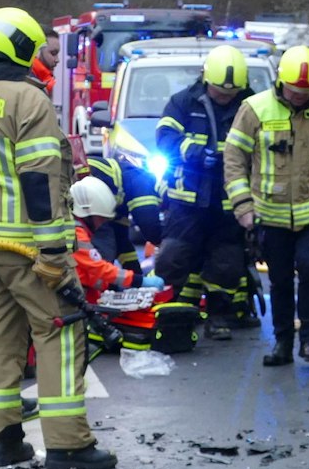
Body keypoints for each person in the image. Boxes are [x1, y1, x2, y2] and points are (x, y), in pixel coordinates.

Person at [0, 7, 116, 469]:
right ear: (18, 48)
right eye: (37, 49)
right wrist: (54, 251)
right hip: (29, 248)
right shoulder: (28, 100)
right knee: (60, 334)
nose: (45, 59)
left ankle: (3, 441)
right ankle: (68, 445)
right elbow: (39, 182)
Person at [223, 46, 309, 366]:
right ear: (281, 82)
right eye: (294, 90)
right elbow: (234, 159)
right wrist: (243, 205)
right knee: (281, 279)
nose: (300, 96)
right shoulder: (255, 109)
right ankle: (283, 343)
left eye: (306, 91)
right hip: (269, 214)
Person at [154, 45, 256, 340]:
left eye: (231, 93)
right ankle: (171, 313)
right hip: (188, 201)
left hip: (230, 200)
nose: (225, 97)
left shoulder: (250, 105)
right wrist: (194, 152)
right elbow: (164, 137)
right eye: (219, 92)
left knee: (227, 263)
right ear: (205, 79)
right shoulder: (184, 102)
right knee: (172, 257)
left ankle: (218, 317)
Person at [70, 175, 162, 297]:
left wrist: (111, 286)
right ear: (86, 214)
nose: (102, 223)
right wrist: (138, 280)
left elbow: (88, 273)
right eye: (101, 218)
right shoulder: (76, 234)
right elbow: (98, 267)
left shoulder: (78, 230)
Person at [86, 137, 164, 274]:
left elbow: (122, 242)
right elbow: (148, 221)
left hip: (79, 201)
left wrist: (136, 277)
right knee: (104, 246)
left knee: (108, 242)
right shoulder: (144, 180)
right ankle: (99, 283)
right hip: (80, 200)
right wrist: (165, 244)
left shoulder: (118, 204)